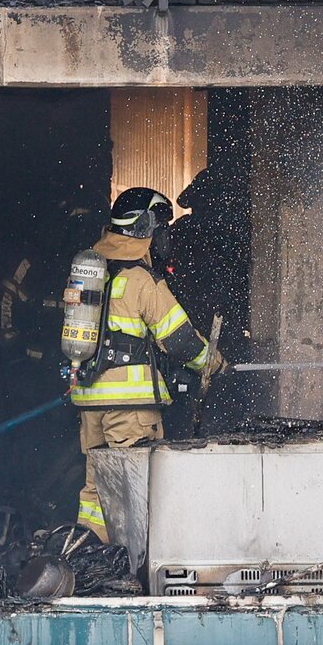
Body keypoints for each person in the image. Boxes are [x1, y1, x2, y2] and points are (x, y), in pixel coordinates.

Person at [70, 187, 223, 542]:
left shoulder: (95, 272)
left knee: (97, 490)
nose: (163, 237)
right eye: (159, 228)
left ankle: (89, 554)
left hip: (90, 401)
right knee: (137, 487)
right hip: (130, 409)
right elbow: (180, 340)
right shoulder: (141, 280)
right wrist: (214, 365)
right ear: (143, 228)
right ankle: (137, 562)